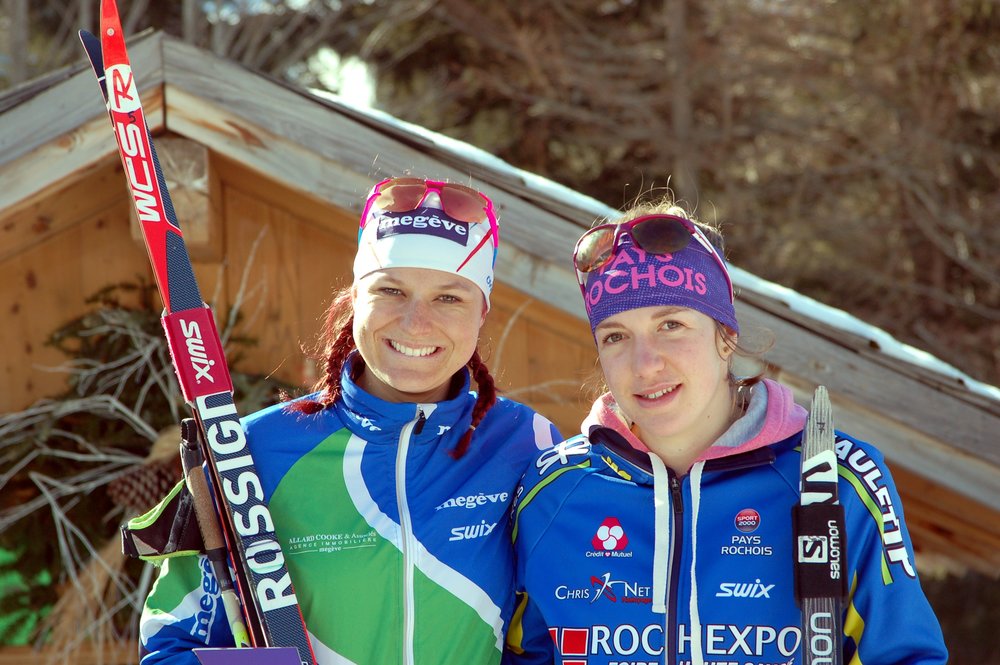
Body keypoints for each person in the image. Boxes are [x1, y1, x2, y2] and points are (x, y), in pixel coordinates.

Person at [136, 177, 560, 664]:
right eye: (392, 290)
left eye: (449, 298)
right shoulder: (252, 453)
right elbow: (171, 646)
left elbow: (549, 638)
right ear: (356, 297)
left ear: (482, 311)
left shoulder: (530, 445)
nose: (415, 322)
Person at [504, 200, 948, 664]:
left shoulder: (835, 479)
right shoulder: (552, 491)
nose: (645, 364)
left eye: (671, 325)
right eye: (616, 336)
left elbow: (905, 655)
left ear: (726, 335)